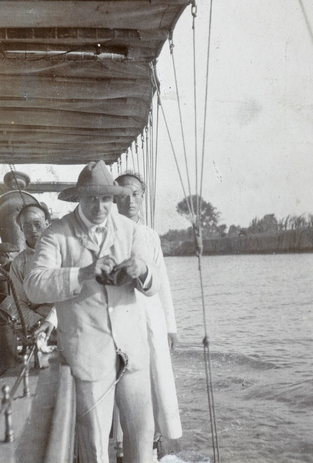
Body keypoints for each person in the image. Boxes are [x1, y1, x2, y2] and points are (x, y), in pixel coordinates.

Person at [24, 160, 161, 463]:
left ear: (114, 199)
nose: (100, 207)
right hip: (88, 356)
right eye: (92, 199)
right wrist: (83, 273)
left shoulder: (131, 230)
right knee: (95, 448)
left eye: (106, 198)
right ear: (78, 199)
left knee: (142, 440)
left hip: (133, 354)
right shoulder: (55, 235)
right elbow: (33, 285)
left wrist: (142, 270)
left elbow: (153, 287)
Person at [114, 172, 182, 457]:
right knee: (125, 376)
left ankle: (154, 438)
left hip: (151, 315)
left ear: (142, 197)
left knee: (156, 374)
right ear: (114, 198)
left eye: (136, 194)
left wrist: (170, 325)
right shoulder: (107, 232)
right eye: (123, 195)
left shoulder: (151, 235)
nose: (130, 201)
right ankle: (121, 443)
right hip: (122, 315)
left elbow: (162, 281)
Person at [3, 203, 57, 341]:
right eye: (27, 226)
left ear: (47, 223)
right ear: (21, 229)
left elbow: (72, 294)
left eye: (37, 224)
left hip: (66, 318)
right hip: (37, 326)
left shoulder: (63, 253)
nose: (32, 230)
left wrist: (52, 320)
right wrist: (38, 322)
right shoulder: (18, 264)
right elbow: (18, 303)